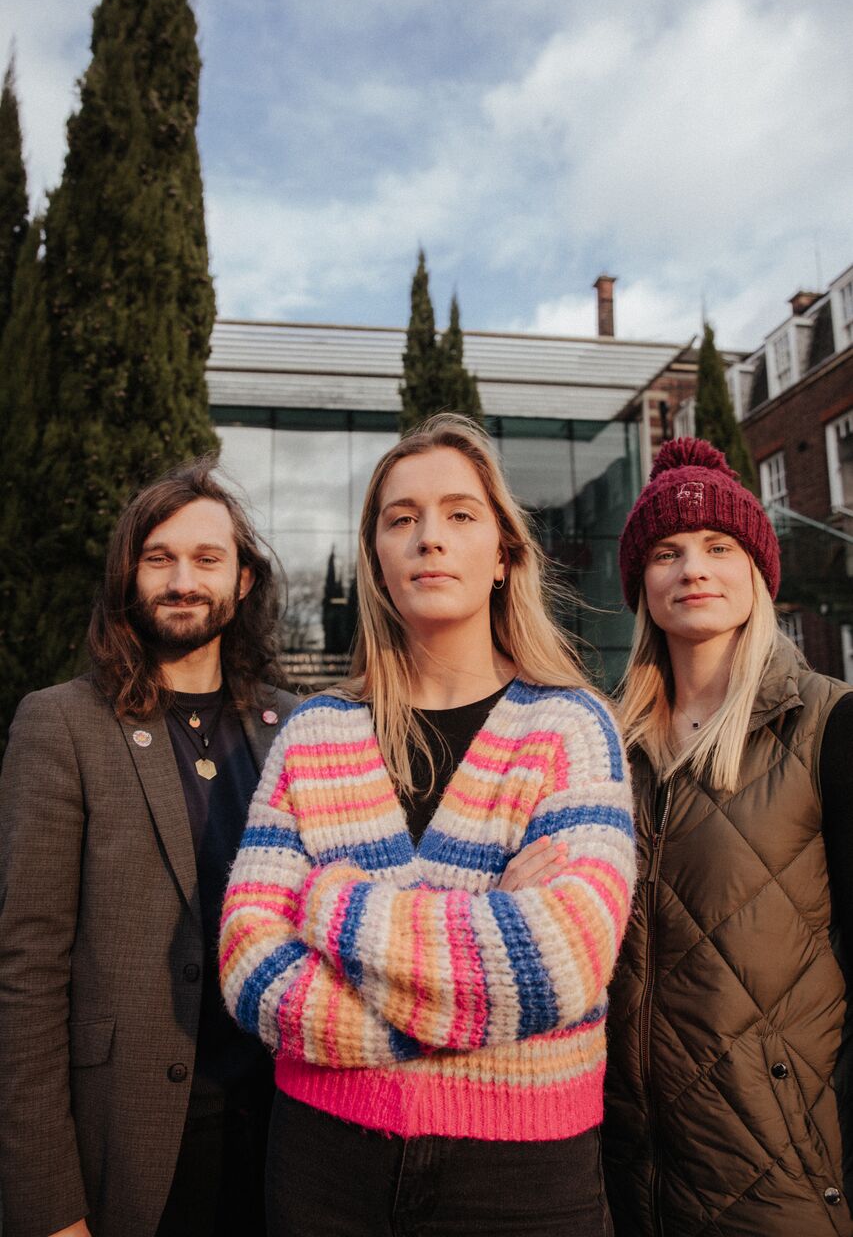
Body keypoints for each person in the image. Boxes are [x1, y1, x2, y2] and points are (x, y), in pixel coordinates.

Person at [220, 413, 636, 1237]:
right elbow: (249, 966)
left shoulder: (570, 727)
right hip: (323, 1162)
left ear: (503, 555)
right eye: (400, 519)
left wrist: (331, 903)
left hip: (523, 1174)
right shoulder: (314, 733)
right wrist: (479, 966)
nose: (427, 538)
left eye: (458, 514)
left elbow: (567, 956)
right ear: (376, 556)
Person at [0, 457, 297, 1237]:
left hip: (287, 1139)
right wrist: (47, 1205)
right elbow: (25, 971)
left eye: (206, 559)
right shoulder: (60, 725)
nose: (181, 580)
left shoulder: (299, 726)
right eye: (158, 558)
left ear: (242, 581)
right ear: (128, 575)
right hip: (132, 1143)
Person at [602, 436, 853, 1236]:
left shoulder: (827, 724)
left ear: (756, 571)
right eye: (666, 552)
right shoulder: (601, 745)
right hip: (616, 1172)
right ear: (641, 583)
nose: (692, 570)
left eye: (719, 546)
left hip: (779, 1172)